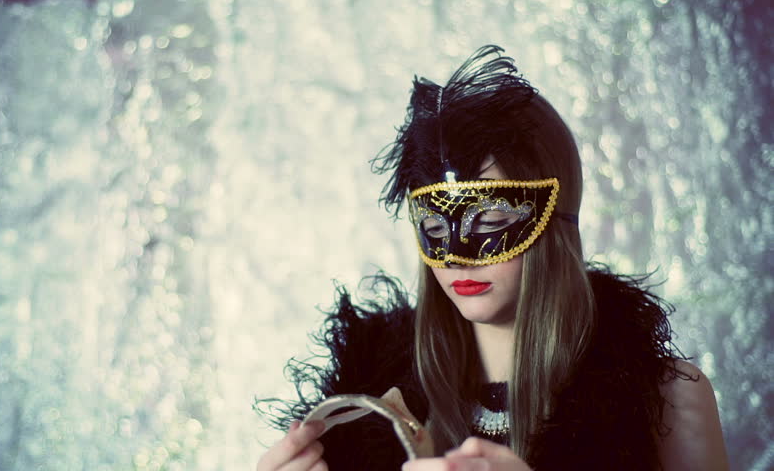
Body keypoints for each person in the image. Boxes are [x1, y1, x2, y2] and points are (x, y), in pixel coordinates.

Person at [256, 45, 729, 471]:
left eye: (488, 224)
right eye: (436, 228)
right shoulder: (362, 417)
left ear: (553, 223)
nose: (459, 260)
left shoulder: (666, 401)